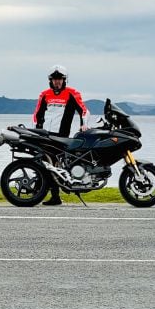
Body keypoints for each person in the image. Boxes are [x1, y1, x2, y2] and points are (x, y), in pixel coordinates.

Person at [33, 65, 90, 206]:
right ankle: (42, 193)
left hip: (61, 136)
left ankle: (53, 195)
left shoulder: (72, 93)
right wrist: (36, 130)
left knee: (54, 164)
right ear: (50, 80)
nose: (57, 82)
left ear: (64, 80)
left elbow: (84, 111)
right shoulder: (44, 94)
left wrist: (84, 125)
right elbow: (37, 114)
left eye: (60, 79)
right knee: (44, 163)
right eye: (54, 79)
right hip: (45, 135)